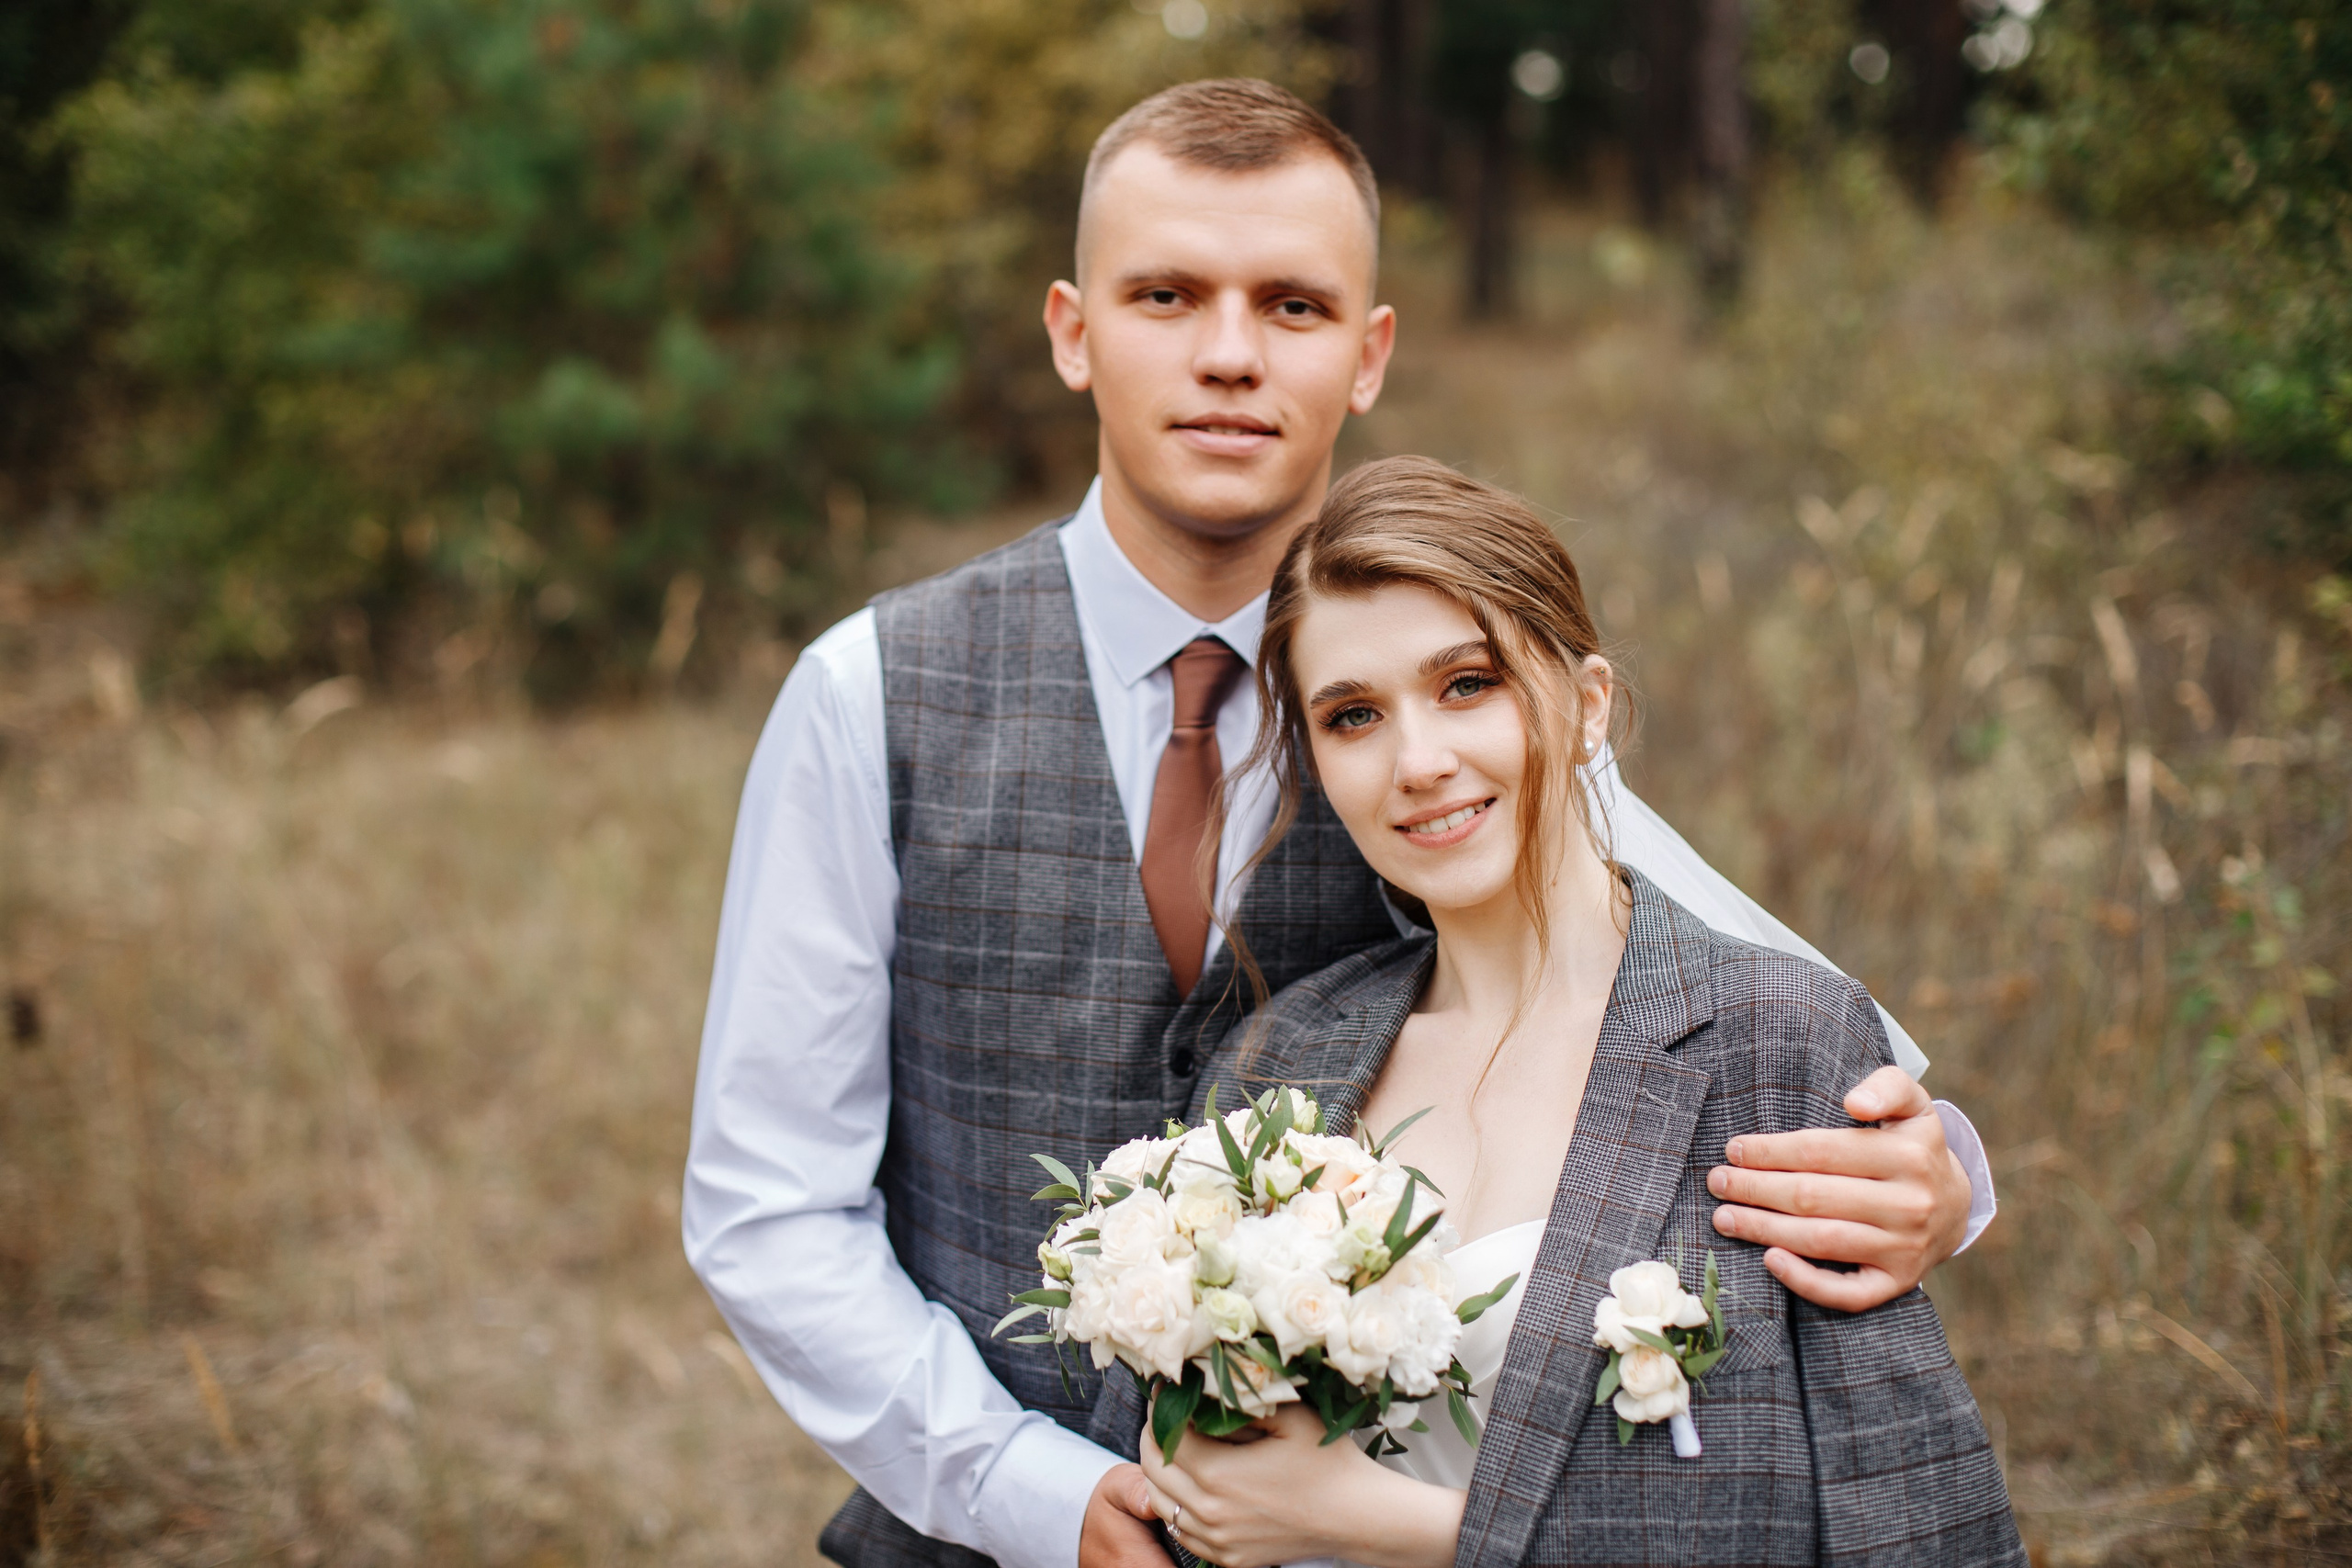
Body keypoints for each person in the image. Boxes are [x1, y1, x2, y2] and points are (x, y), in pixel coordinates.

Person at [681, 78, 1996, 1568]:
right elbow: (769, 1204)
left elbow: (1747, 995)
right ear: (1072, 330)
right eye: (1166, 294)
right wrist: (1031, 1491)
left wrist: (1937, 1167)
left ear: (1369, 354)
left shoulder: (1445, 701)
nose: (1229, 354)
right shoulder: (871, 695)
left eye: (1293, 306)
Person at [1128, 457, 2026, 1567]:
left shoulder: (1774, 1039)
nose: (1419, 762)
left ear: (1588, 702)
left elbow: (1886, 1523)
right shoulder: (1278, 1063)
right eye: (1354, 715)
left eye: (1468, 684)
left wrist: (1371, 1521)